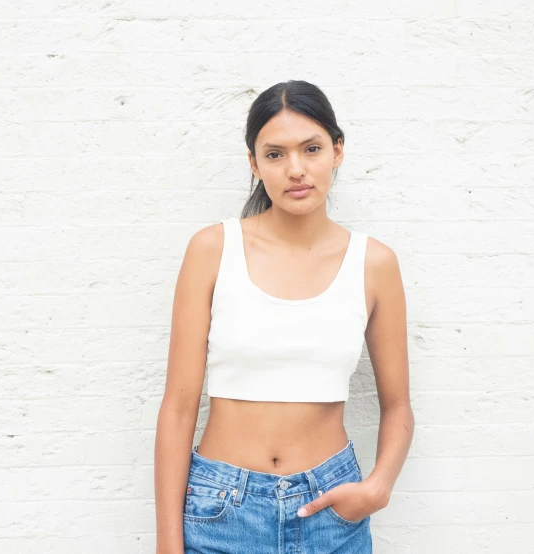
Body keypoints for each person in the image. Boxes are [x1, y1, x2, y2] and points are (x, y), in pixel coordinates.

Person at [154, 80, 414, 553]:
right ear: (254, 164)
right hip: (221, 510)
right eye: (275, 155)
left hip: (330, 510)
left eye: (311, 149)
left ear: (337, 151)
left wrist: (378, 487)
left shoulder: (373, 263)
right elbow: (177, 408)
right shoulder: (213, 250)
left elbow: (398, 405)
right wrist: (168, 544)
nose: (296, 169)